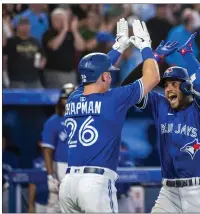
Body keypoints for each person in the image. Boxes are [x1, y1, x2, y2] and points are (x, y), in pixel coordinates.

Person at [58, 18, 160, 213]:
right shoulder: (114, 98)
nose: (111, 76)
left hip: (69, 183)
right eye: (109, 73)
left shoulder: (73, 97)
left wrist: (118, 47)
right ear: (104, 76)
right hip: (95, 183)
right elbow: (153, 78)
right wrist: (146, 47)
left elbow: (93, 75)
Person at [121, 33, 200, 212]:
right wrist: (154, 57)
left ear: (186, 87)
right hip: (168, 192)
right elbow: (127, 89)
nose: (168, 88)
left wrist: (187, 54)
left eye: (174, 84)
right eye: (166, 85)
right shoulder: (159, 104)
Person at [41, 83, 75, 213]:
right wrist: (51, 176)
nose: (69, 100)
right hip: (61, 166)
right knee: (55, 203)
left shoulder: (85, 119)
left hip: (82, 164)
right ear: (60, 100)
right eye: (66, 98)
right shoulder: (53, 122)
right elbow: (47, 151)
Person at [28, 140, 49, 213]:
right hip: (40, 202)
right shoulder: (36, 162)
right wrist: (31, 205)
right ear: (39, 144)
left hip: (56, 203)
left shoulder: (59, 160)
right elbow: (32, 184)